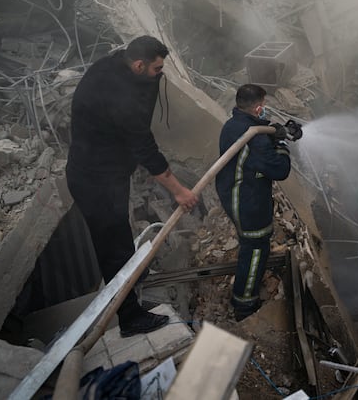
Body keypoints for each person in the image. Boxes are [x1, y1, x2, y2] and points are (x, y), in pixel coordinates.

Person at [66, 35, 198, 337]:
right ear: (139, 65)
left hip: (105, 173)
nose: (160, 75)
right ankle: (129, 318)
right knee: (112, 249)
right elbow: (145, 149)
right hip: (94, 182)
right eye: (156, 69)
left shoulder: (115, 65)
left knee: (121, 237)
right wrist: (179, 191)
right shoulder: (121, 99)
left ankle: (133, 280)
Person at [215, 84, 291, 321]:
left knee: (251, 244)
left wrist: (273, 131)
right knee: (256, 247)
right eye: (264, 105)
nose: (265, 109)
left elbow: (255, 138)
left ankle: (245, 295)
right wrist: (282, 145)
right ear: (258, 107)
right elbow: (280, 169)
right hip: (248, 200)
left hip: (235, 193)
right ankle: (245, 304)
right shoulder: (253, 138)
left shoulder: (234, 124)